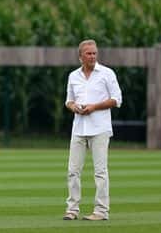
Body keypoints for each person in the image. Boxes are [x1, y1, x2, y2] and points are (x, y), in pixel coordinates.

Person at [62, 39, 122, 221]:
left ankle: (101, 211)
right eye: (88, 53)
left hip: (100, 129)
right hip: (79, 128)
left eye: (95, 53)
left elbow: (117, 99)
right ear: (81, 57)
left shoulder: (107, 73)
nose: (92, 56)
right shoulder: (73, 76)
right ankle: (72, 210)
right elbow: (68, 100)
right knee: (73, 171)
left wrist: (94, 107)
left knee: (100, 171)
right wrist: (74, 108)